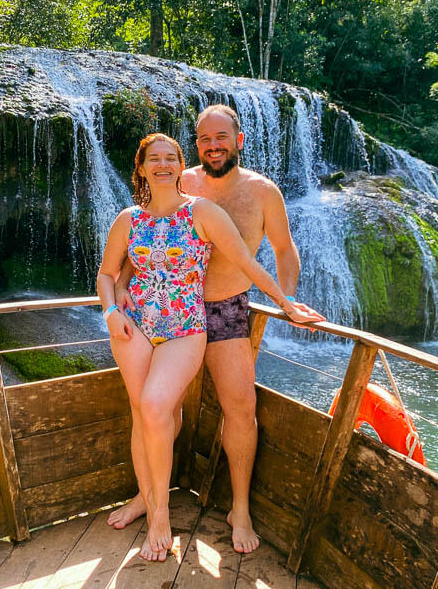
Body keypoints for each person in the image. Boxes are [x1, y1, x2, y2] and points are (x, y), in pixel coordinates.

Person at [109, 105, 325, 555]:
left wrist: (285, 304)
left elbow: (283, 251)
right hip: (161, 314)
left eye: (222, 137)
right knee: (156, 411)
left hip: (225, 310)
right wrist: (122, 289)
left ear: (239, 140)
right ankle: (147, 498)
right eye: (205, 139)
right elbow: (140, 244)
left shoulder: (262, 192)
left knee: (240, 407)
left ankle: (240, 507)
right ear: (196, 144)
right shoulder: (176, 178)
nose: (213, 145)